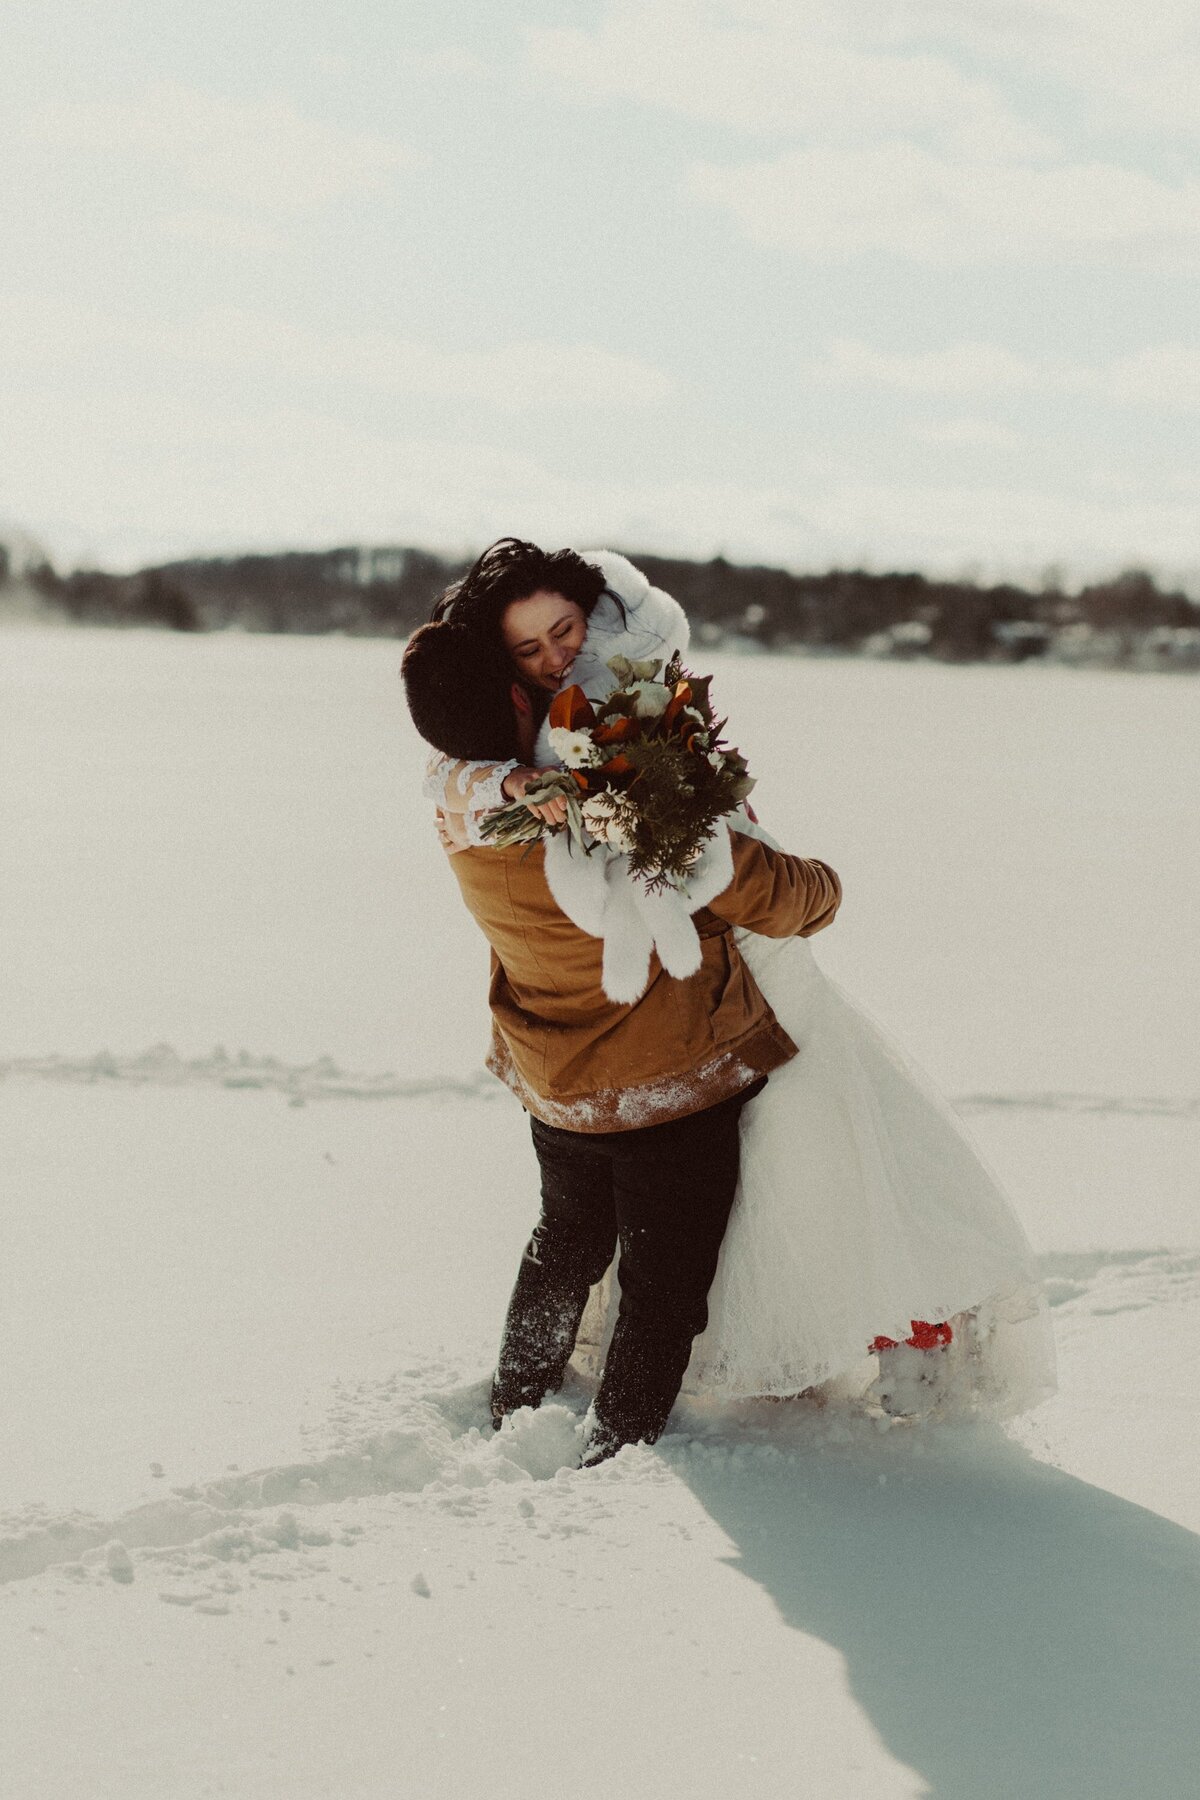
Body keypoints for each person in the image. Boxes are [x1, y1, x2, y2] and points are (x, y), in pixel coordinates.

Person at [405, 540, 1056, 1440]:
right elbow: (761, 891)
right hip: (666, 1075)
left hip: (552, 1079)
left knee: (567, 1245)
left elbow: (454, 777)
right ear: (507, 685)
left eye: (567, 631)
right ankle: (619, 1445)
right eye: (532, 653)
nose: (560, 659)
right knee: (669, 1280)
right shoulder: (604, 787)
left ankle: (517, 1400)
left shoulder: (465, 801)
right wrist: (815, 879)